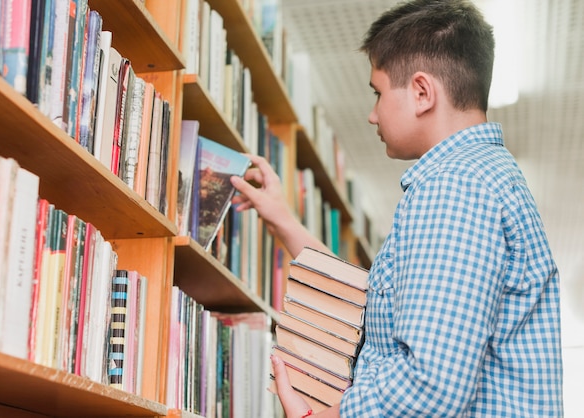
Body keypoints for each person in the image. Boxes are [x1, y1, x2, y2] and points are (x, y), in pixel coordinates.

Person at [230, 0, 564, 416]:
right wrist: (281, 218)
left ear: (422, 92)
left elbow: (430, 383)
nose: (372, 115)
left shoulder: (455, 186)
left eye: (378, 92)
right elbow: (368, 302)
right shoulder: (477, 179)